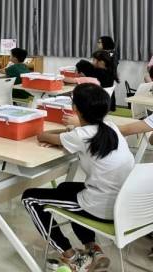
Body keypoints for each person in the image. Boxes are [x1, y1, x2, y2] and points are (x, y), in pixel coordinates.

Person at [22, 84, 134, 271]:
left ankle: (71, 257)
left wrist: (64, 134)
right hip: (122, 203)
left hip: (102, 207)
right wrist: (70, 132)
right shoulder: (111, 127)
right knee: (64, 188)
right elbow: (74, 137)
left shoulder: (81, 135)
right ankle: (93, 250)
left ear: (75, 108)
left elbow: (42, 136)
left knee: (29, 197)